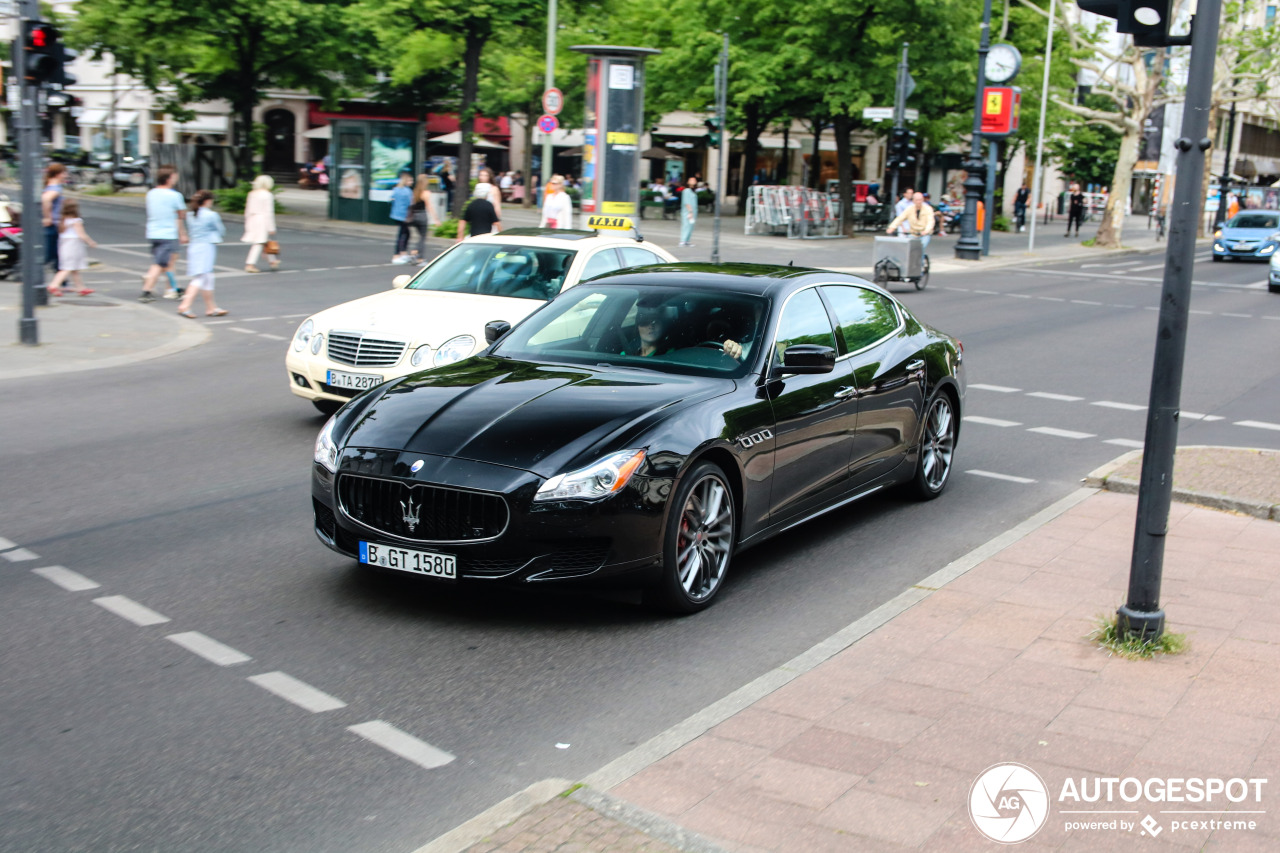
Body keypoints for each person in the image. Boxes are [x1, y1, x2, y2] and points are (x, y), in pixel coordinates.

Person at [177, 190, 229, 318]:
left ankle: (211, 307)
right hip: (206, 247)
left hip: (194, 246)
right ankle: (185, 305)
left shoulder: (191, 214)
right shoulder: (211, 215)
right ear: (207, 201)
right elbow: (221, 230)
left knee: (208, 277)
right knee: (200, 277)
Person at [139, 167, 188, 302]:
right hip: (167, 233)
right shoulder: (174, 195)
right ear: (169, 178)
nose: (175, 179)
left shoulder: (151, 193)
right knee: (160, 263)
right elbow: (181, 214)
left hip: (153, 232)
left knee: (168, 262)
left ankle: (173, 289)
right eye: (174, 177)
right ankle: (147, 290)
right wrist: (182, 233)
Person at [46, 198, 97, 297]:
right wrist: (91, 242)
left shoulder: (63, 220)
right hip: (73, 245)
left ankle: (81, 288)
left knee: (74, 268)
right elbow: (81, 235)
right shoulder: (76, 221)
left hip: (64, 245)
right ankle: (54, 285)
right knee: (68, 268)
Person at [242, 174, 278, 272]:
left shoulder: (252, 194)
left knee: (264, 240)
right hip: (262, 220)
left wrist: (247, 222)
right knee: (259, 242)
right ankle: (250, 264)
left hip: (252, 219)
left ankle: (273, 261)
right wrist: (271, 227)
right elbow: (269, 212)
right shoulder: (267, 195)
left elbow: (247, 210)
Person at [41, 163, 67, 272]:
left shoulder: (49, 186)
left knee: (56, 254)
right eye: (64, 173)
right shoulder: (55, 188)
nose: (66, 176)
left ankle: (62, 283)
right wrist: (48, 217)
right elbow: (46, 199)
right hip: (53, 225)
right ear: (58, 174)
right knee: (50, 254)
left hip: (54, 225)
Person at [408, 173, 433, 265]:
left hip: (414, 216)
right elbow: (429, 206)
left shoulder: (415, 192)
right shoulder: (426, 193)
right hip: (422, 215)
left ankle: (415, 252)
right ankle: (419, 258)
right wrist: (436, 219)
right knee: (423, 237)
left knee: (420, 236)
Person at [389, 171, 414, 263]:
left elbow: (391, 200)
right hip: (404, 215)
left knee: (404, 233)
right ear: (406, 181)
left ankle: (402, 253)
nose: (412, 182)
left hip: (396, 214)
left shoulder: (396, 189)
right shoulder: (408, 191)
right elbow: (410, 204)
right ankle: (397, 255)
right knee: (403, 234)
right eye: (410, 180)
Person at [476, 167, 503, 231]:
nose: (482, 177)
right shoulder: (478, 187)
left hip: (490, 217)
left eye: (485, 175)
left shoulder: (494, 189)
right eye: (481, 175)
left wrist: (497, 218)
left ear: (489, 177)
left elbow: (497, 205)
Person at [679, 176, 698, 246]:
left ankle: (687, 240)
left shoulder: (693, 191)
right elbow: (686, 202)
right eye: (691, 180)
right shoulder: (686, 191)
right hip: (688, 211)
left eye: (694, 180)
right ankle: (683, 240)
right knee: (686, 225)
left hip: (693, 211)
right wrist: (690, 212)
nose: (693, 181)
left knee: (691, 226)